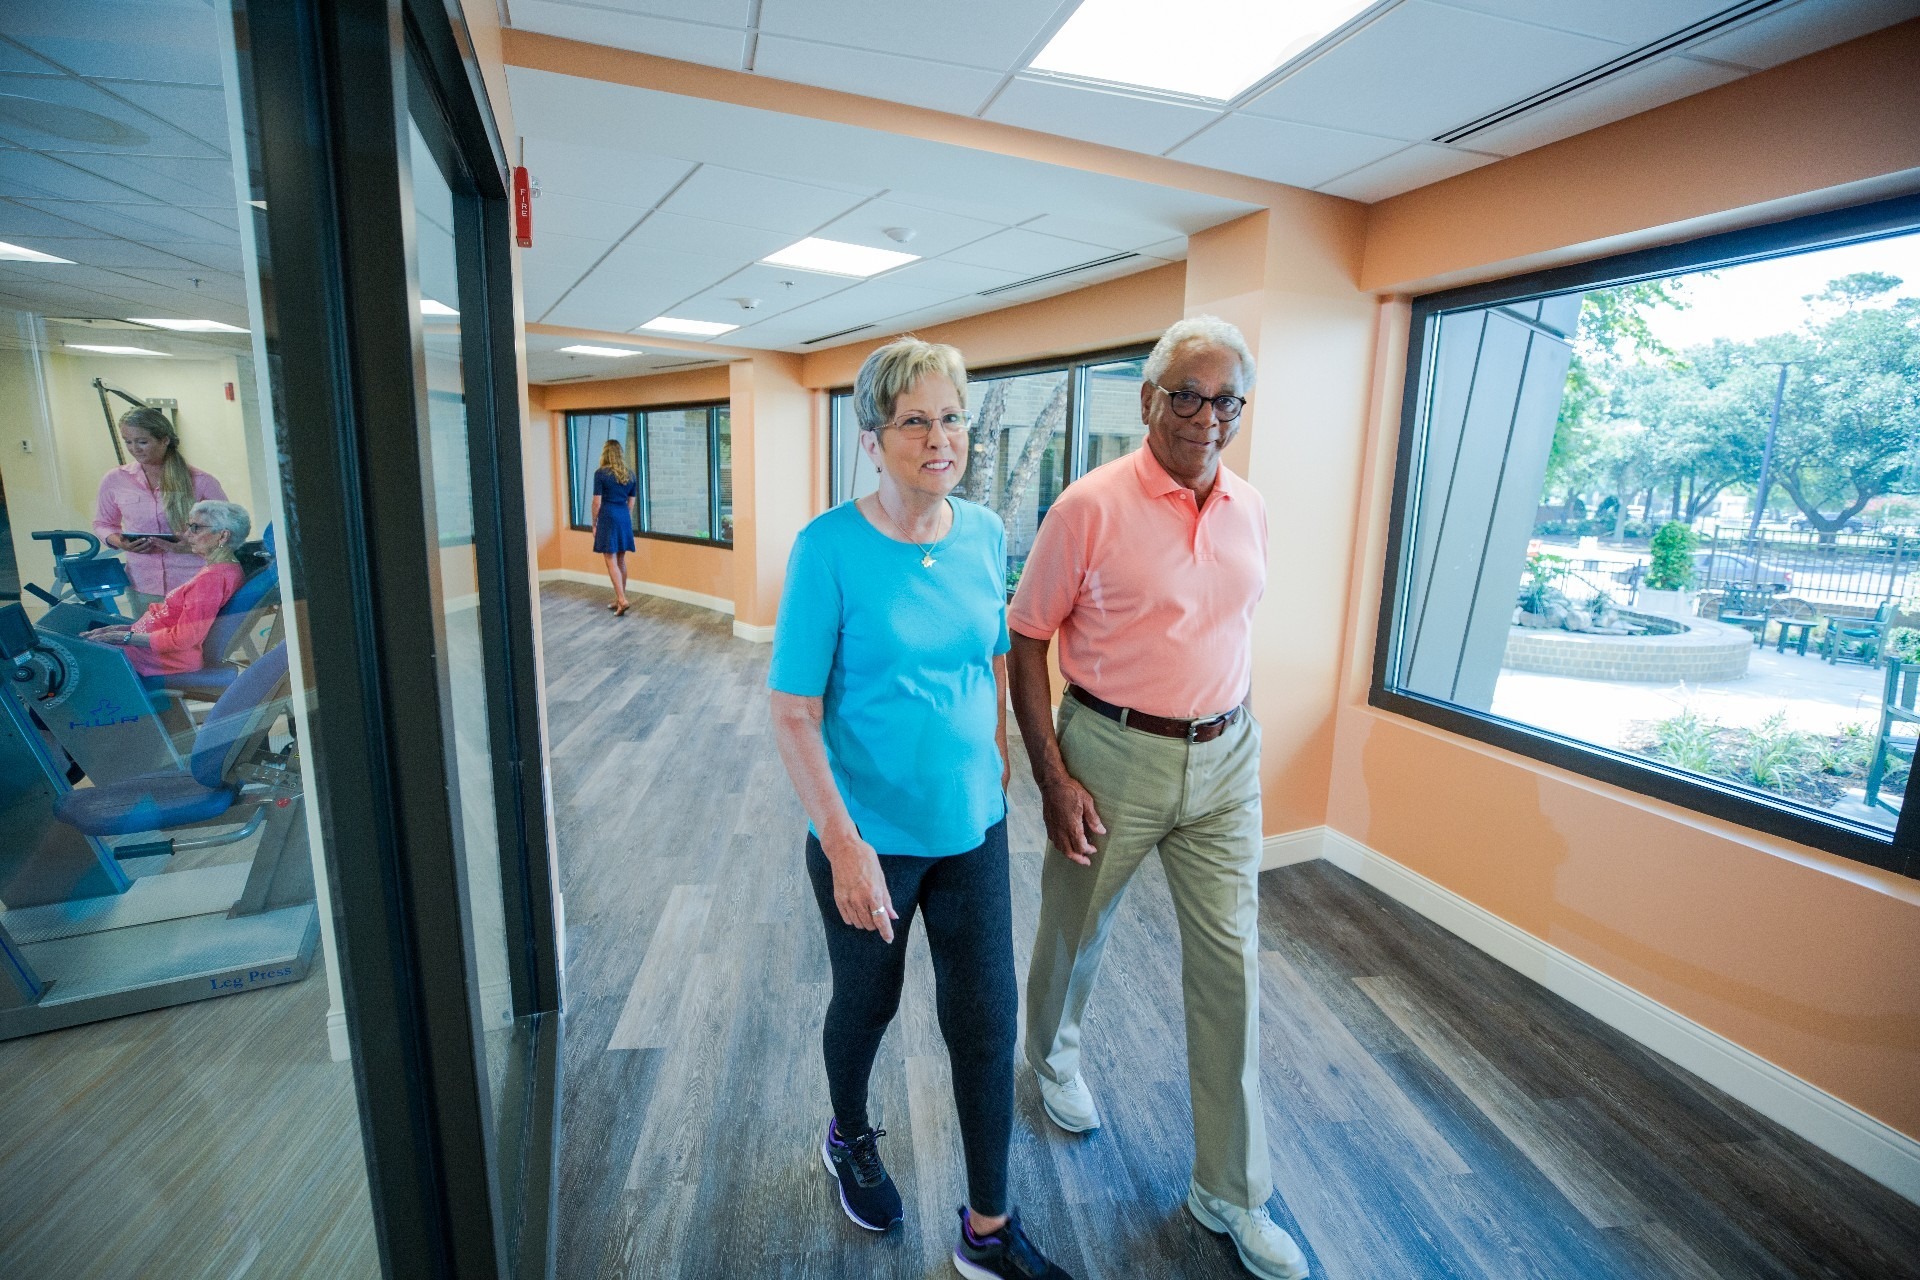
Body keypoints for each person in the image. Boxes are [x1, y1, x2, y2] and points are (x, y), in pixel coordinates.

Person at [1007, 316, 1308, 1280]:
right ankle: (1052, 1058)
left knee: (1232, 967)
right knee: (1076, 929)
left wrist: (1235, 728)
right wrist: (1053, 775)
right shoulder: (1089, 506)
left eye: (1225, 400)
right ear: (1148, 400)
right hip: (1111, 753)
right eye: (1187, 394)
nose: (1206, 416)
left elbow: (1233, 628)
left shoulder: (1251, 508)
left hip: (1224, 760)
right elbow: (1026, 636)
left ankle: (1230, 1187)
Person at [769, 337, 1072, 1280]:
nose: (939, 439)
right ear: (872, 439)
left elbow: (986, 653)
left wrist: (998, 749)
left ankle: (988, 1232)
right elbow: (792, 712)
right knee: (869, 1000)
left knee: (983, 1020)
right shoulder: (829, 550)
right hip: (871, 841)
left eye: (951, 418)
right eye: (914, 421)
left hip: (971, 829)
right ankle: (849, 1132)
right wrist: (843, 843)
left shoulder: (983, 534)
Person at [82, 499, 251, 678]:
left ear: (223, 536)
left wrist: (122, 637)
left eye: (196, 528)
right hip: (155, 650)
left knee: (77, 656)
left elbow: (183, 639)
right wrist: (124, 630)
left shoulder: (211, 580)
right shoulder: (226, 568)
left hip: (166, 660)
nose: (187, 535)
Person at [92, 406, 227, 617]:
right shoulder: (115, 479)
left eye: (142, 441)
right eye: (128, 441)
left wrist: (192, 544)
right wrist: (120, 542)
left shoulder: (201, 482)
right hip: (142, 583)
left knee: (192, 648)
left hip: (193, 581)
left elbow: (228, 530)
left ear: (164, 440)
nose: (134, 448)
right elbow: (103, 523)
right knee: (149, 647)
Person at [591, 440, 638, 616]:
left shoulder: (601, 474)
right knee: (621, 560)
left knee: (610, 559)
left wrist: (594, 522)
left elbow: (597, 502)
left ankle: (622, 599)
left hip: (608, 516)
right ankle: (620, 599)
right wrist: (624, 519)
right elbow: (631, 504)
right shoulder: (630, 475)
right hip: (623, 516)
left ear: (605, 453)